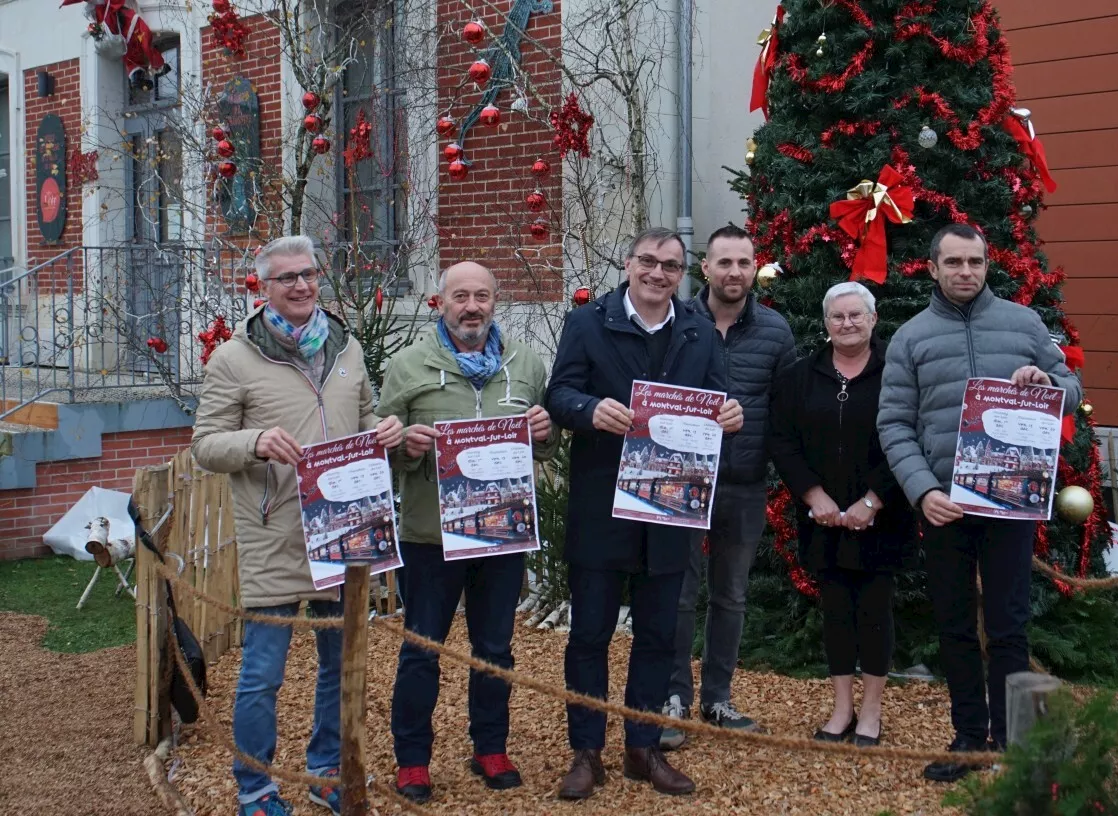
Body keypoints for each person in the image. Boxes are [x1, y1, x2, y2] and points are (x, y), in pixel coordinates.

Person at [191, 235, 404, 816]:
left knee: (340, 663)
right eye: (287, 277)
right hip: (275, 533)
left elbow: (365, 417)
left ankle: (324, 772)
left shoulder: (346, 348)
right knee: (263, 672)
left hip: (343, 529)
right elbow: (204, 446)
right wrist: (255, 441)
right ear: (264, 287)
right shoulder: (233, 358)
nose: (302, 285)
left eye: (309, 273)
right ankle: (255, 788)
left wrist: (383, 430)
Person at [877, 223, 1082, 782]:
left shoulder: (1025, 323)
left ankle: (1015, 745)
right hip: (946, 506)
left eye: (975, 262)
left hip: (1010, 501)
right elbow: (893, 424)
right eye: (954, 263)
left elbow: (1073, 389)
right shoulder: (911, 338)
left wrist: (1048, 384)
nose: (965, 271)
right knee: (954, 626)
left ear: (987, 265)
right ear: (934, 267)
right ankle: (969, 738)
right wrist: (923, 491)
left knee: (1010, 625)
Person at [545, 227, 744, 800]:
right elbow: (559, 394)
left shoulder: (698, 331)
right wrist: (587, 409)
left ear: (685, 275)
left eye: (671, 267)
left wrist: (730, 418)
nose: (658, 274)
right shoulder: (588, 322)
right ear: (628, 263)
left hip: (669, 509)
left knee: (659, 636)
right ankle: (586, 750)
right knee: (589, 635)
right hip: (601, 504)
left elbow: (719, 402)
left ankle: (643, 745)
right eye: (649, 263)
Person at [376, 261, 560, 804]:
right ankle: (412, 760)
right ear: (441, 303)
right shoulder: (409, 365)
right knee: (421, 650)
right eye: (460, 296)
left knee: (496, 649)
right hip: (429, 536)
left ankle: (490, 746)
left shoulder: (524, 363)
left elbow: (543, 445)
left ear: (495, 301)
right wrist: (403, 445)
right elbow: (380, 446)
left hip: (501, 533)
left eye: (482, 295)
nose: (471, 306)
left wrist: (546, 434)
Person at [661, 224, 795, 749]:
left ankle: (718, 697)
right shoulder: (674, 321)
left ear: (753, 265)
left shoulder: (775, 331)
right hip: (680, 480)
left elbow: (786, 411)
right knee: (677, 593)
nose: (734, 272)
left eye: (743, 262)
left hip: (743, 482)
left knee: (731, 596)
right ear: (706, 268)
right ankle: (674, 697)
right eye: (724, 263)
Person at [769, 281, 912, 747]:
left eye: (856, 315)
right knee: (834, 612)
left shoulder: (899, 372)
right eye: (838, 317)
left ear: (873, 319)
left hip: (883, 516)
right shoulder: (799, 375)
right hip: (823, 518)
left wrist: (873, 501)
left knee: (874, 611)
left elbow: (910, 437)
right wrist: (814, 496)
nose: (847, 324)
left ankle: (871, 713)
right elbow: (783, 440)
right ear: (826, 323)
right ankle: (841, 708)